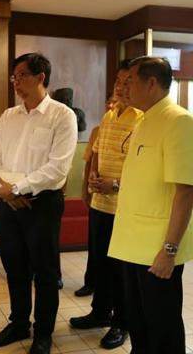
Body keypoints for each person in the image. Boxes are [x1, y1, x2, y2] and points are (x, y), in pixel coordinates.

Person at [0, 52, 77, 354]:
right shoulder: (8, 116)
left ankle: (43, 333)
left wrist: (19, 188)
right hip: (8, 203)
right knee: (14, 267)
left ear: (41, 77)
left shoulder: (62, 116)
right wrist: (5, 190)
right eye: (14, 77)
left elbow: (58, 168)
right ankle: (18, 323)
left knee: (45, 272)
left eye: (22, 76)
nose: (16, 82)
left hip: (42, 204)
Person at [108, 56, 193, 354]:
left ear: (152, 83)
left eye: (130, 81)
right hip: (131, 244)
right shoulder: (144, 120)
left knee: (162, 329)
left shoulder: (178, 121)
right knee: (139, 324)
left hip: (156, 249)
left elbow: (185, 191)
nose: (124, 88)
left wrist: (169, 251)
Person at [69, 59, 143, 350]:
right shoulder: (110, 115)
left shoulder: (141, 118)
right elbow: (97, 152)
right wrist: (92, 179)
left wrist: (116, 184)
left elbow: (141, 166)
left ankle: (122, 323)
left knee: (120, 269)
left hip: (124, 207)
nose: (121, 88)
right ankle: (99, 312)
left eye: (128, 82)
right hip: (101, 202)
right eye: (118, 82)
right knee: (99, 262)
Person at [74, 124, 99, 297]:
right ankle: (90, 282)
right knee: (95, 244)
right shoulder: (98, 130)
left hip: (120, 200)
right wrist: (85, 190)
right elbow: (89, 162)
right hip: (98, 197)